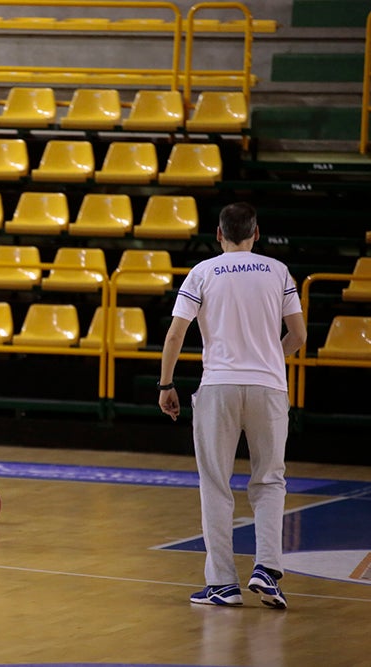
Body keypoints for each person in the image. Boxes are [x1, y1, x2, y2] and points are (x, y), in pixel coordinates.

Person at [158, 202, 306, 609]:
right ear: (256, 233)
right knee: (269, 480)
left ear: (218, 234)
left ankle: (223, 583)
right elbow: (298, 333)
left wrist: (166, 384)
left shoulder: (202, 272)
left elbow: (174, 336)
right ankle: (268, 570)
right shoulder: (278, 271)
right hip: (269, 388)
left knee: (216, 484)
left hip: (218, 388)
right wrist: (270, 357)